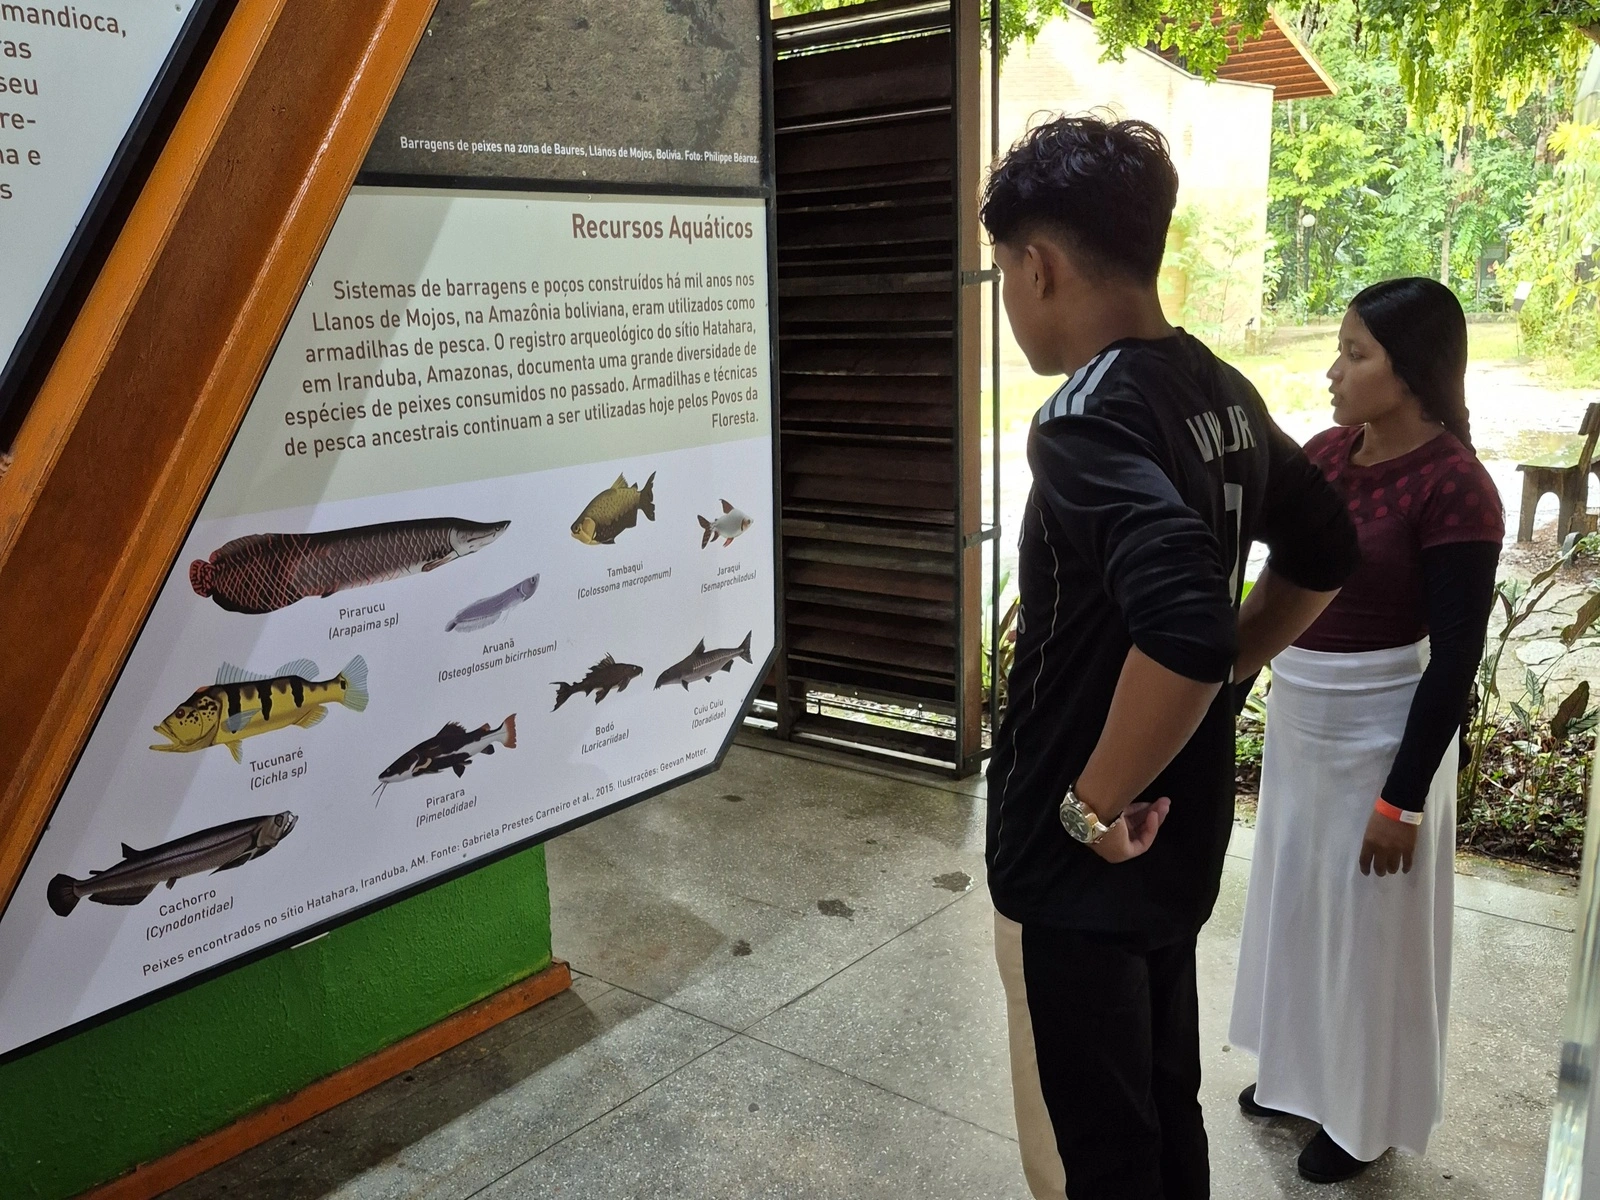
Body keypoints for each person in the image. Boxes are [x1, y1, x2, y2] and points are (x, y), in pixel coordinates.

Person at [982, 115, 1360, 1200]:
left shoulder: (1083, 420)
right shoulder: (1216, 388)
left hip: (1084, 863)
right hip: (1175, 832)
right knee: (1157, 1114)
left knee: (1099, 1148)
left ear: (1037, 265)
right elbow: (1323, 547)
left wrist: (1085, 803)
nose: (1009, 299)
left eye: (1004, 273)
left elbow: (1182, 626)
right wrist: (1227, 672)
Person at [1229, 278, 1503, 1184]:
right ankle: (1298, 1069)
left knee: (1371, 931)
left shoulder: (1457, 487)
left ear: (1411, 368)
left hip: (1383, 728)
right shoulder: (1323, 456)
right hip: (1303, 717)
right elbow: (1272, 598)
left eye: (1355, 353)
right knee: (1300, 904)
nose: (1333, 372)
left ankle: (1364, 1113)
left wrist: (1403, 798)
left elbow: (1455, 662)